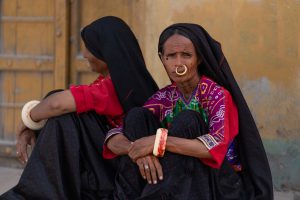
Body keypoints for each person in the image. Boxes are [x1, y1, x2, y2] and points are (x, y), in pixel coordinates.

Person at [106, 23, 273, 199]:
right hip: (176, 180)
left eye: (186, 55)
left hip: (218, 184)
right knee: (136, 117)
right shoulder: (164, 97)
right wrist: (138, 152)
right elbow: (115, 137)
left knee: (188, 121)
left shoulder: (217, 95)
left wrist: (158, 142)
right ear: (163, 59)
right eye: (171, 56)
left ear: (199, 58)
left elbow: (214, 147)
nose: (179, 63)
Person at [0, 16, 158, 200]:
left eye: (89, 48)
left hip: (116, 170)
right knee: (59, 102)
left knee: (64, 114)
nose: (84, 54)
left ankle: (38, 194)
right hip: (108, 161)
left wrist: (26, 120)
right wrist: (32, 124)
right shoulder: (125, 81)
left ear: (105, 52)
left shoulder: (111, 88)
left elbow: (56, 104)